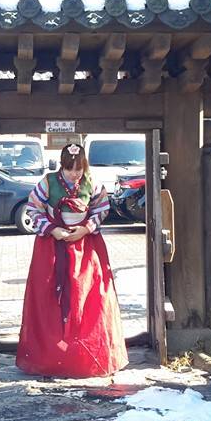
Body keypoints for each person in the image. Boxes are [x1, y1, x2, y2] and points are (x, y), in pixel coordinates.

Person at [16, 143, 129, 377]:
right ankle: (51, 356)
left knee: (89, 297)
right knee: (50, 298)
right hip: (52, 246)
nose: (74, 174)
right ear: (62, 165)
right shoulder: (47, 182)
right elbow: (33, 209)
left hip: (85, 246)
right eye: (69, 169)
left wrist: (86, 228)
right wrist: (52, 230)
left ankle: (87, 355)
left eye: (78, 168)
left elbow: (102, 208)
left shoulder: (92, 182)